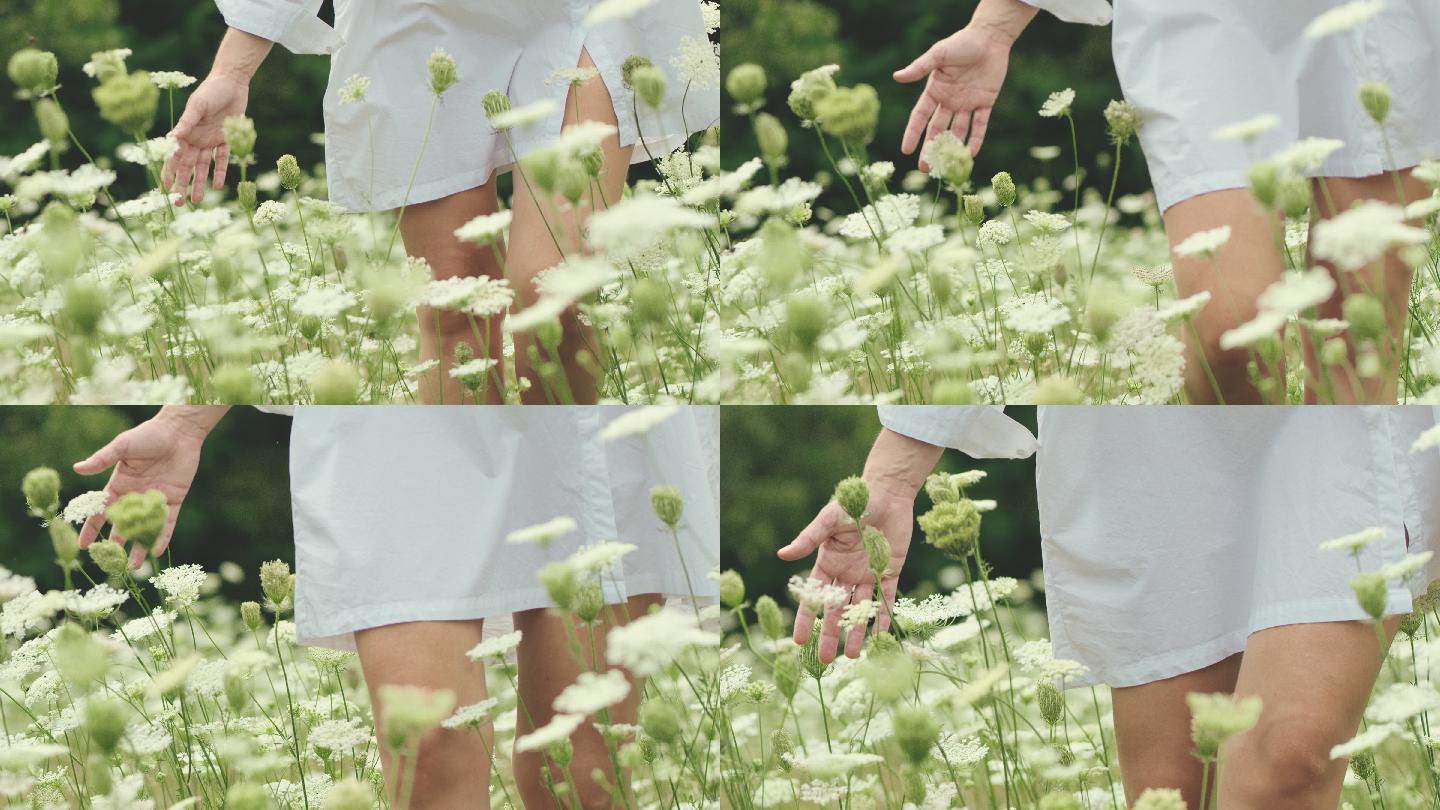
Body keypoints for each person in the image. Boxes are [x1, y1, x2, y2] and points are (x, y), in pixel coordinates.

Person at [780, 405, 1440, 808]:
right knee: (1170, 793)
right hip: (1148, 429)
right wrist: (892, 478)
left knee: (1290, 755)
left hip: (1334, 377)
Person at [72, 404, 721, 809]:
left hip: (579, 397)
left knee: (583, 774)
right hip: (402, 425)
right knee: (430, 746)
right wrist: (188, 418)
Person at [162, 1, 719, 403]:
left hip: (578, 11)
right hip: (415, 18)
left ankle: (564, 496)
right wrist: (231, 70)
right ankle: (475, 505)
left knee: (555, 288)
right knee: (456, 304)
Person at [894, 0, 1439, 403]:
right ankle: (1239, 516)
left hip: (1381, 23)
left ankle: (1334, 544)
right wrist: (995, 25)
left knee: (1360, 337)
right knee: (1231, 331)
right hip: (1205, 20)